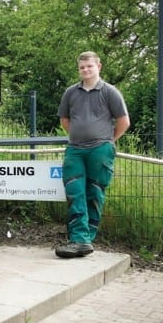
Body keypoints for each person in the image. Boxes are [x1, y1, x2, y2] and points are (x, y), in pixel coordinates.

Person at [56, 51, 130, 258]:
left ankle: (85, 239)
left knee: (94, 192)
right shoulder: (71, 93)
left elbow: (123, 122)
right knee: (74, 191)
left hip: (101, 149)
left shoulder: (110, 92)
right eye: (82, 67)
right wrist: (79, 135)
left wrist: (107, 141)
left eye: (89, 66)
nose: (86, 70)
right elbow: (65, 120)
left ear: (99, 66)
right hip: (75, 150)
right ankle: (79, 239)